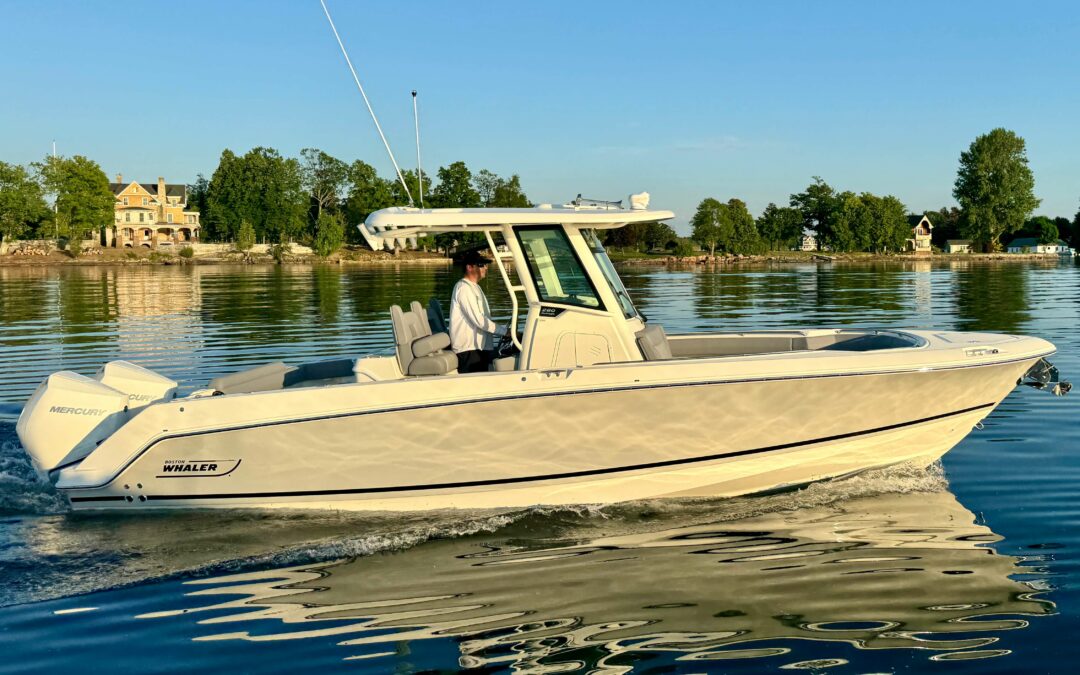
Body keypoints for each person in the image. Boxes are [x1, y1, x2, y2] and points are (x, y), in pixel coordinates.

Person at [450, 249, 506, 373]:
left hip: (479, 348)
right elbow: (479, 320)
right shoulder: (464, 288)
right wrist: (505, 332)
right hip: (469, 349)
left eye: (485, 265)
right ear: (469, 267)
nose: (485, 268)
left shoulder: (475, 287)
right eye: (481, 265)